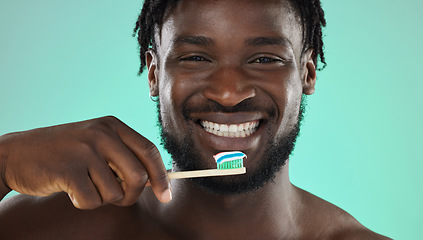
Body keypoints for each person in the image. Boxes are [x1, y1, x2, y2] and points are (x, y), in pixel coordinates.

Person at [0, 0, 391, 239]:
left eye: (265, 59)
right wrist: (4, 163)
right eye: (196, 58)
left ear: (306, 73)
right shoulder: (45, 229)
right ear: (154, 74)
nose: (229, 92)